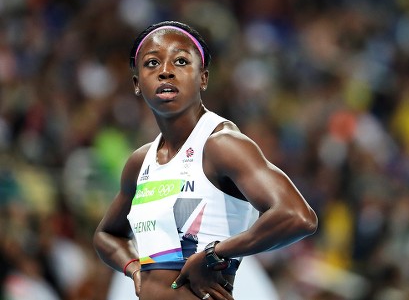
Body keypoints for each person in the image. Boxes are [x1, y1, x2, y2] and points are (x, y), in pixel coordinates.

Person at [93, 20, 318, 300]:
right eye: (152, 63)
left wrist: (215, 254)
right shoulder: (140, 163)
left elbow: (298, 216)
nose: (165, 71)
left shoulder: (221, 145)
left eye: (180, 61)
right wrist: (134, 269)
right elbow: (106, 235)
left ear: (203, 78)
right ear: (138, 83)